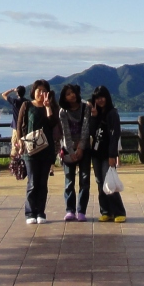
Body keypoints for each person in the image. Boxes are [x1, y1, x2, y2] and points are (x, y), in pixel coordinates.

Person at [12, 79, 59, 224]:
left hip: (46, 149)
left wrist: (48, 107)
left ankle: (40, 212)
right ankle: (30, 213)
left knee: (43, 183)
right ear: (34, 91)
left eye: (45, 91)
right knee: (32, 182)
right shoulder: (27, 105)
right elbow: (19, 125)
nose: (41, 93)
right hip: (29, 149)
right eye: (39, 90)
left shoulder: (51, 106)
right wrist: (19, 141)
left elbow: (53, 124)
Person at [89, 85, 126, 222]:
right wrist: (93, 117)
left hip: (107, 154)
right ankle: (106, 211)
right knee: (100, 183)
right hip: (96, 153)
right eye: (97, 98)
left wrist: (112, 156)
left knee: (109, 181)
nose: (100, 100)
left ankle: (119, 212)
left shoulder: (112, 113)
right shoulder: (95, 113)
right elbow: (92, 132)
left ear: (107, 97)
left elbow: (115, 136)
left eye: (102, 97)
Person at [57, 84, 91, 221]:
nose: (71, 95)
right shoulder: (63, 112)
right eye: (68, 94)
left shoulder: (85, 108)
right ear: (64, 97)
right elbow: (65, 133)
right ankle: (70, 210)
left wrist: (81, 148)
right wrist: (71, 150)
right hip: (68, 148)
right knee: (69, 181)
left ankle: (81, 210)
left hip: (84, 148)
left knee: (84, 180)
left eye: (73, 92)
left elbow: (85, 128)